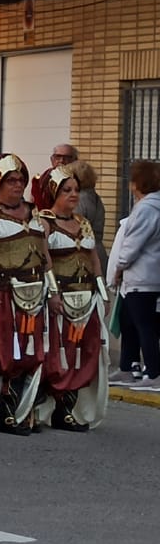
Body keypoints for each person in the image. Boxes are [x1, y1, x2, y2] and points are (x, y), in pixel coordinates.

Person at [0, 153, 50, 436]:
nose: (18, 185)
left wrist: (51, 291)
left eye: (21, 180)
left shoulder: (34, 212)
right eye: (11, 180)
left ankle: (13, 414)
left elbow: (44, 254)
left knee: (27, 355)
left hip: (32, 296)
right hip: (1, 294)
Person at [33, 164, 109, 431]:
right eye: (67, 190)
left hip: (86, 298)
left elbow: (94, 260)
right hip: (60, 298)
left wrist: (102, 291)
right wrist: (53, 293)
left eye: (76, 189)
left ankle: (69, 409)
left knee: (83, 352)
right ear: (54, 191)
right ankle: (48, 405)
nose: (74, 194)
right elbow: (45, 261)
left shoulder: (83, 223)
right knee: (58, 352)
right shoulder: (44, 221)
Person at [108, 160, 160, 385]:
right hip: (146, 276)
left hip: (141, 277)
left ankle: (153, 372)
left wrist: (119, 267)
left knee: (144, 324)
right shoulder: (150, 206)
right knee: (129, 320)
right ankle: (128, 366)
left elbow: (132, 245)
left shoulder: (147, 209)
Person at [68, 159, 107, 270]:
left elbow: (74, 229)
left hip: (85, 254)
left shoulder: (79, 200)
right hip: (98, 250)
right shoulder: (94, 197)